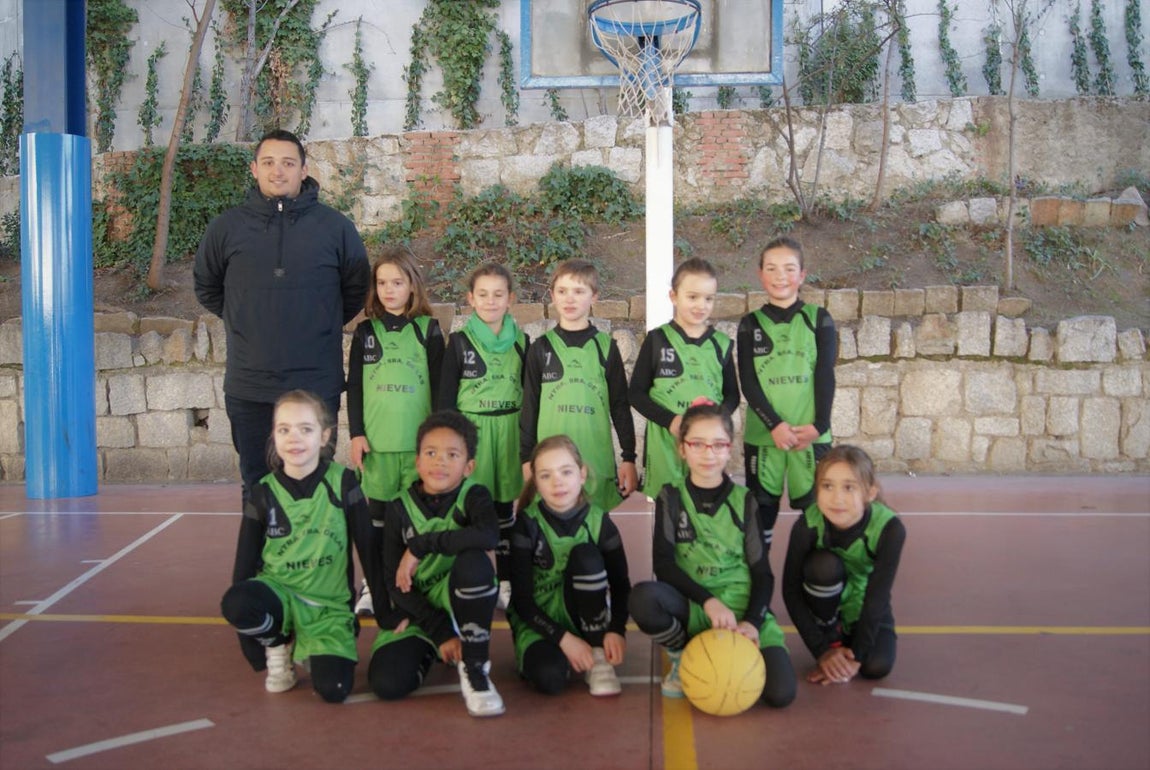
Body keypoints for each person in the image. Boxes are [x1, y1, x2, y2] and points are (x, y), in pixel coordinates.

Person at [194, 128, 370, 502]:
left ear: (303, 169)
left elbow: (354, 291)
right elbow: (207, 287)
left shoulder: (336, 228)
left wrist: (318, 320)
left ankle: (315, 561)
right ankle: (262, 562)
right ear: (254, 169)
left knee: (315, 486)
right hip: (250, 387)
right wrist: (245, 319)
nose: (279, 171)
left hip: (315, 385)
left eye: (288, 163)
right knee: (258, 489)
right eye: (269, 162)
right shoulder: (225, 228)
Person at [629, 401, 796, 708]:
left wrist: (753, 622)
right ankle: (682, 654)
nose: (709, 453)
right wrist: (708, 602)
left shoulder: (745, 501)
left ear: (730, 448)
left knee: (780, 693)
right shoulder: (671, 497)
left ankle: (743, 641)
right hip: (696, 607)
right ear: (682, 449)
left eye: (718, 444)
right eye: (698, 444)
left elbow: (762, 572)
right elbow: (664, 565)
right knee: (643, 598)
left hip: (741, 609)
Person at [219, 390, 371, 703]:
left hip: (327, 606)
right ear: (273, 435)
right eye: (284, 429)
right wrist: (252, 644)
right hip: (280, 596)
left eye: (306, 428)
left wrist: (386, 611)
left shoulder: (344, 483)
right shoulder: (263, 493)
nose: (294, 438)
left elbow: (369, 549)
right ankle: (279, 644)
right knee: (236, 602)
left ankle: (327, 638)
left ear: (324, 435)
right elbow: (243, 568)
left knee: (335, 690)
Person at [361, 411, 504, 717]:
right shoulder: (399, 508)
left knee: (476, 563)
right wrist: (439, 631)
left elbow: (489, 536)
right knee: (388, 684)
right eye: (431, 453)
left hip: (457, 599)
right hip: (418, 610)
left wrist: (421, 546)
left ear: (469, 467)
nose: (440, 461)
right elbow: (393, 583)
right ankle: (436, 647)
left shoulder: (474, 495)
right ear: (417, 461)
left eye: (452, 455)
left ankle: (475, 666)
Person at [347, 247, 444, 615]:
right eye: (382, 282)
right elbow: (354, 387)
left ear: (412, 285)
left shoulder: (428, 331)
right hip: (378, 448)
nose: (389, 290)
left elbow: (439, 390)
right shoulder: (365, 332)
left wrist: (436, 443)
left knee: (416, 519)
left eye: (397, 282)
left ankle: (414, 580)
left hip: (417, 450)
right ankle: (374, 585)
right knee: (377, 521)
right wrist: (356, 433)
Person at [508, 435, 631, 696]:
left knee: (586, 556)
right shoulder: (525, 525)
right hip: (539, 620)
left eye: (566, 471)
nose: (557, 482)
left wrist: (617, 630)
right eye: (545, 475)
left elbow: (621, 584)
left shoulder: (600, 521)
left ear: (582, 474)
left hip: (583, 614)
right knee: (550, 678)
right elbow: (521, 601)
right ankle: (562, 650)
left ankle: (596, 654)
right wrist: (563, 639)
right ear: (535, 482)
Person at [736, 236, 836, 551]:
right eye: (772, 268)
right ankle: (758, 588)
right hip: (765, 437)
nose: (781, 276)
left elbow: (825, 374)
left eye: (789, 269)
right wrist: (774, 425)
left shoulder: (819, 319)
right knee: (762, 515)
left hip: (810, 436)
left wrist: (819, 425)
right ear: (760, 274)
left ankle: (815, 588)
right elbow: (749, 383)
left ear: (802, 275)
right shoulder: (750, 324)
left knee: (817, 516)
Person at [438, 263, 528, 609]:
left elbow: (530, 394)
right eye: (483, 294)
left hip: (508, 433)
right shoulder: (460, 343)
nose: (491, 301)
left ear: (511, 299)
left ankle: (505, 580)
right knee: (469, 509)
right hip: (472, 436)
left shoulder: (523, 342)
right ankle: (467, 575)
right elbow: (445, 400)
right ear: (470, 299)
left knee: (505, 512)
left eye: (498, 294)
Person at [519, 259, 638, 513]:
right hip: (550, 467)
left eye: (579, 291)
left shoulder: (606, 347)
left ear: (594, 297)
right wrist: (525, 459)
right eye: (562, 291)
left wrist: (629, 457)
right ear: (552, 296)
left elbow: (619, 406)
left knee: (594, 540)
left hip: (596, 463)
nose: (569, 299)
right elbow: (529, 408)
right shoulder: (540, 348)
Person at [783, 445, 906, 685]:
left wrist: (856, 658)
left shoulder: (890, 529)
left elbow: (877, 597)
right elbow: (790, 591)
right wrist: (822, 652)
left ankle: (849, 646)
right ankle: (833, 637)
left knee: (876, 666)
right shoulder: (807, 525)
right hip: (825, 602)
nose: (837, 498)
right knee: (823, 565)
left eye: (849, 487)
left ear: (870, 493)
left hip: (864, 605)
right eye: (827, 486)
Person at [629, 258, 739, 499]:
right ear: (673, 296)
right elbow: (635, 393)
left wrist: (716, 420)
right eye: (693, 297)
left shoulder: (720, 344)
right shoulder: (657, 340)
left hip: (706, 446)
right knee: (666, 514)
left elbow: (732, 395)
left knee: (705, 511)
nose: (701, 305)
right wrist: (670, 421)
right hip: (664, 444)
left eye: (708, 298)